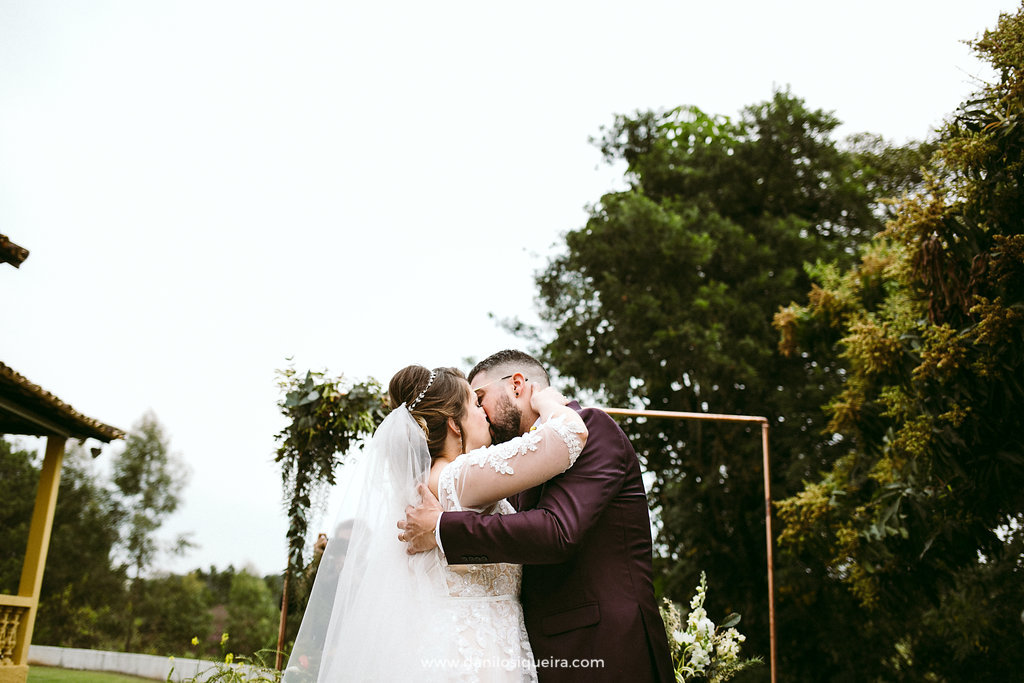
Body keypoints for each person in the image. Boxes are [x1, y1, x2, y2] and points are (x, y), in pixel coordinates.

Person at [283, 364, 588, 682]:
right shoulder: (454, 478)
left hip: (477, 647)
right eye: (475, 403)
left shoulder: (432, 482)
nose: (484, 412)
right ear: (455, 424)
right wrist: (546, 401)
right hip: (470, 658)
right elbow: (571, 434)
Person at [400, 350, 674, 682]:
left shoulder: (592, 426)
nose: (482, 412)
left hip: (604, 648)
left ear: (517, 385)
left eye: (481, 398)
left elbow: (557, 532)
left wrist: (443, 528)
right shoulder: (500, 466)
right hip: (525, 655)